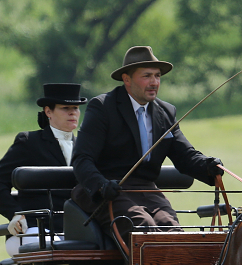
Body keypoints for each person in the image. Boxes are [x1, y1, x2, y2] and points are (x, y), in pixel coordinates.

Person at [71, 46, 223, 236]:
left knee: (172, 229)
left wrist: (207, 166)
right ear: (127, 79)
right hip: (108, 193)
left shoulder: (165, 112)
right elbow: (81, 158)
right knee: (143, 226)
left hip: (147, 191)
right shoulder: (103, 107)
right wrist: (101, 186)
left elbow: (184, 155)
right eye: (147, 76)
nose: (154, 82)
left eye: (158, 76)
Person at [0, 83, 87, 255]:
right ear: (48, 111)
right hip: (35, 230)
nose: (73, 113)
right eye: (65, 108)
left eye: (76, 108)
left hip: (76, 230)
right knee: (53, 249)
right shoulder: (29, 143)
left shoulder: (86, 147)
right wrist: (16, 214)